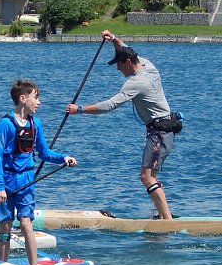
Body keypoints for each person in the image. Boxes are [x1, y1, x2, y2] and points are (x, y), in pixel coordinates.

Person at [66, 30, 179, 219]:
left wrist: (79, 109)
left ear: (128, 62)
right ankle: (163, 216)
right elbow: (127, 48)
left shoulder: (136, 83)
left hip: (160, 133)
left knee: (146, 177)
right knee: (150, 176)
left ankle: (167, 221)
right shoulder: (148, 65)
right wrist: (113, 39)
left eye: (119, 64)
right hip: (164, 130)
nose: (118, 69)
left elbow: (109, 105)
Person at [0, 80, 78, 265]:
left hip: (27, 181)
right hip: (7, 181)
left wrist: (64, 158)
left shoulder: (36, 124)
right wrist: (0, 187)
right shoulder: (6, 124)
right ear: (23, 99)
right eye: (36, 97)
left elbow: (44, 153)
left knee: (26, 223)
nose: (39, 102)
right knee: (6, 225)